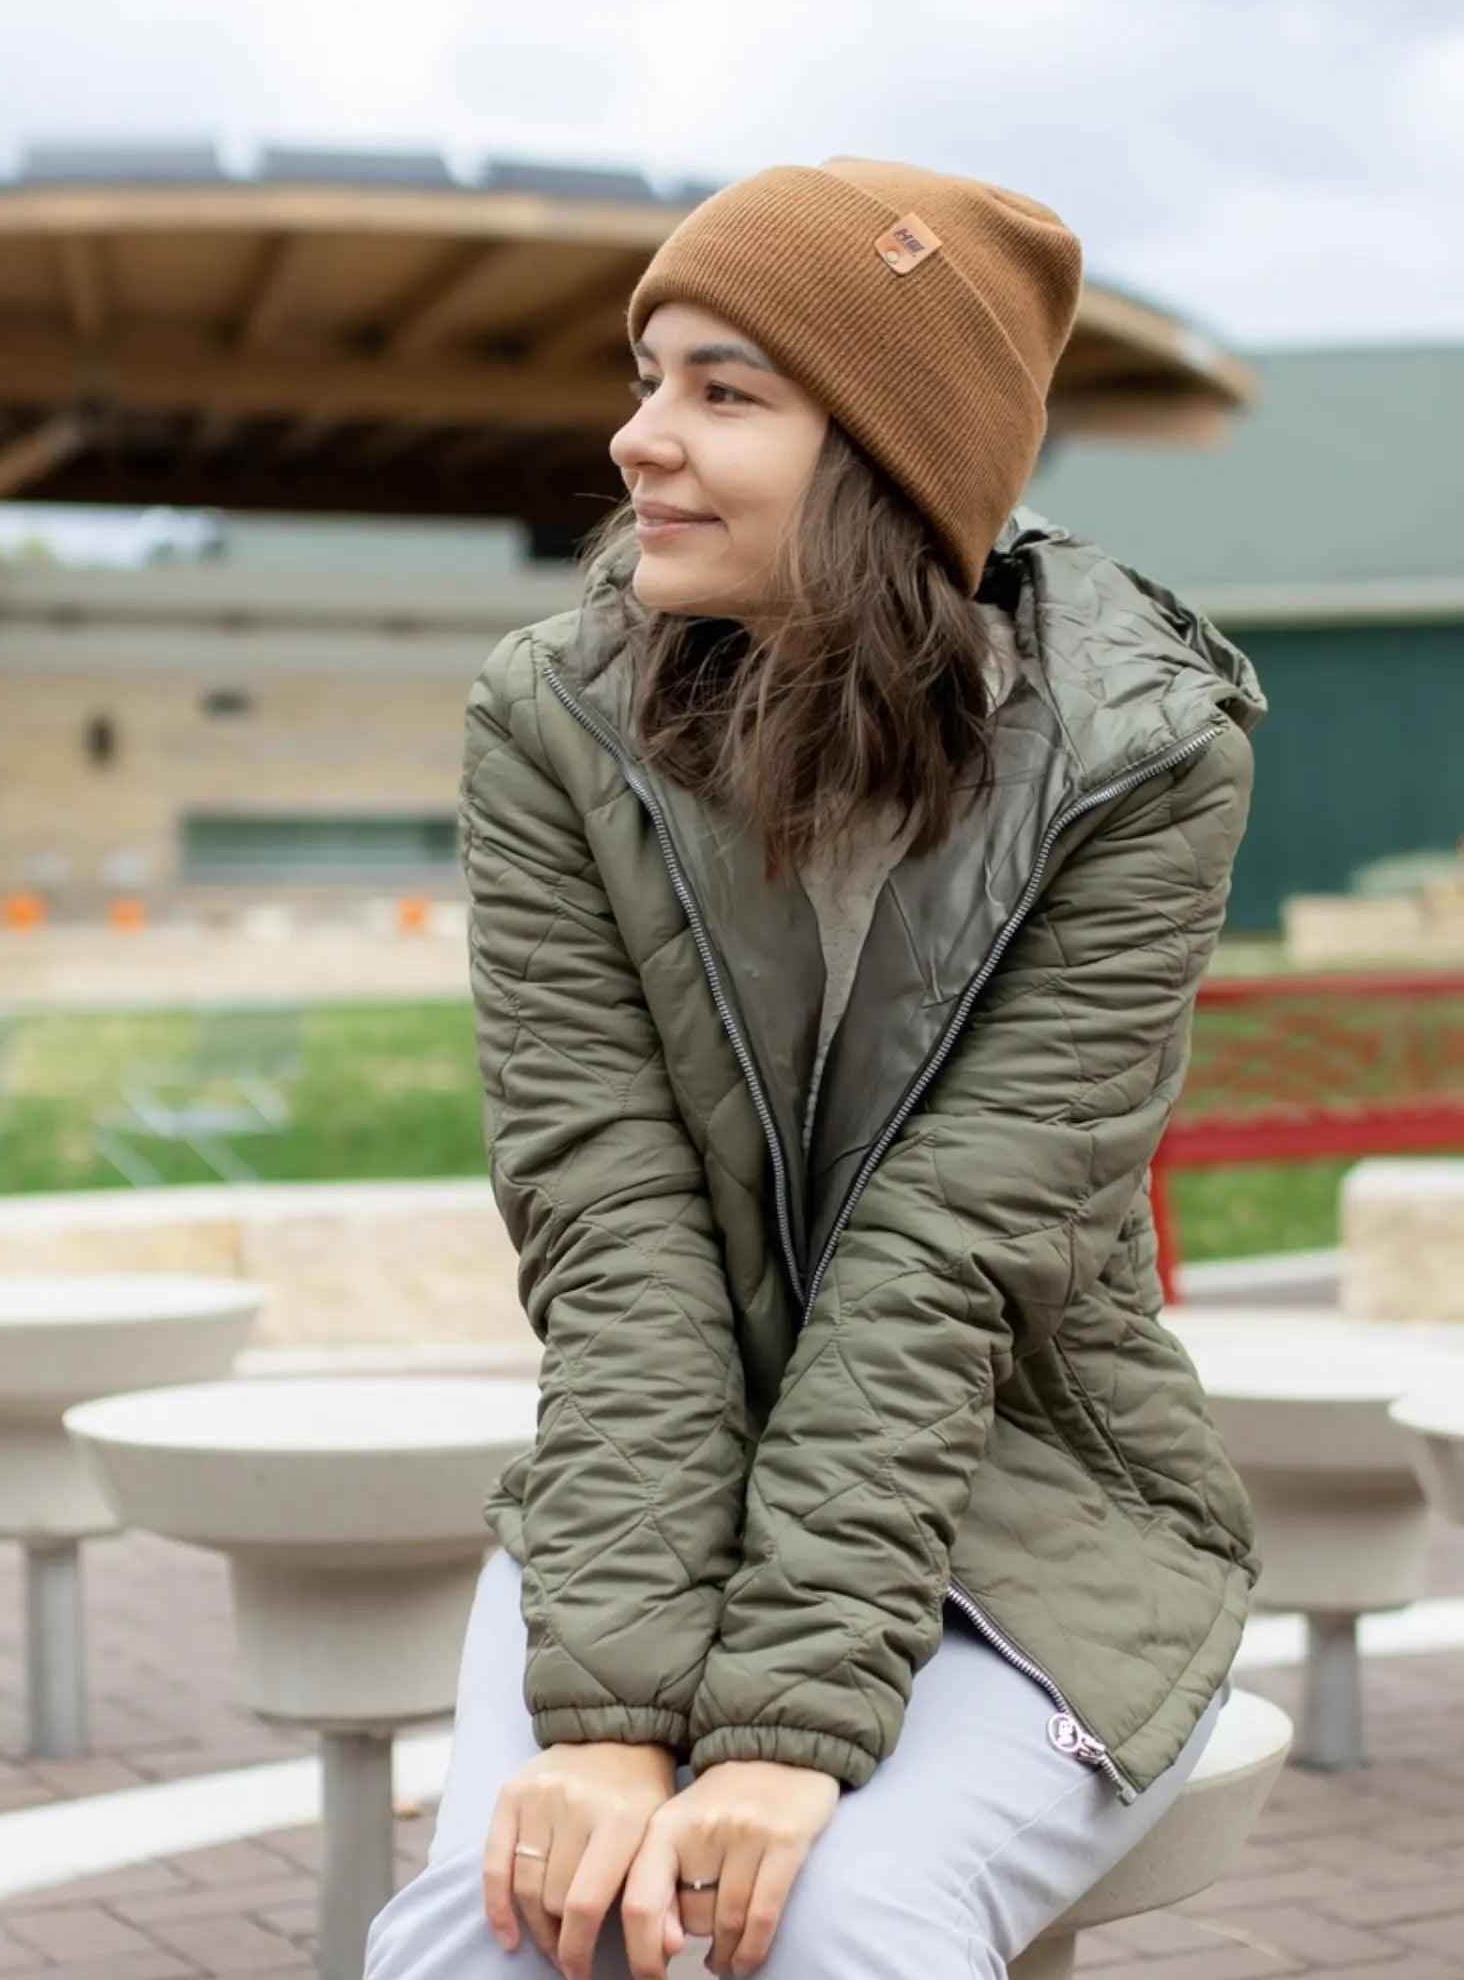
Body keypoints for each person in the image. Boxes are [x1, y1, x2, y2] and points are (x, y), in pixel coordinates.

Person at [365, 155, 1265, 1980]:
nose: (638, 439)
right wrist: (615, 1714)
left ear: (886, 452)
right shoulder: (554, 722)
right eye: (649, 377)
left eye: (724, 392)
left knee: (844, 1915)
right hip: (641, 1484)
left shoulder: (1146, 755)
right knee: (494, 1925)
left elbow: (954, 1255)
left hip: (1028, 1498)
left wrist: (783, 1735)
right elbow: (611, 1228)